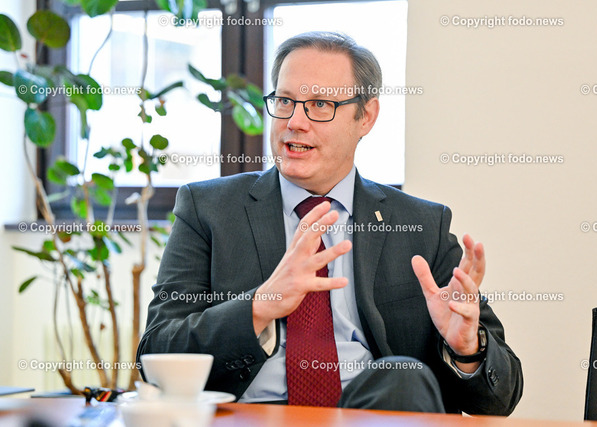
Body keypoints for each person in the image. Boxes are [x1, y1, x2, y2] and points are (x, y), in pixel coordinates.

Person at [137, 31, 523, 415]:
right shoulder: (208, 209)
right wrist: (259, 305)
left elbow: (500, 399)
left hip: (373, 416)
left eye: (320, 104)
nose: (295, 122)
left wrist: (467, 350)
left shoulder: (421, 225)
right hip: (252, 418)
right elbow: (155, 354)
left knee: (401, 376)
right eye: (285, 101)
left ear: (365, 116)